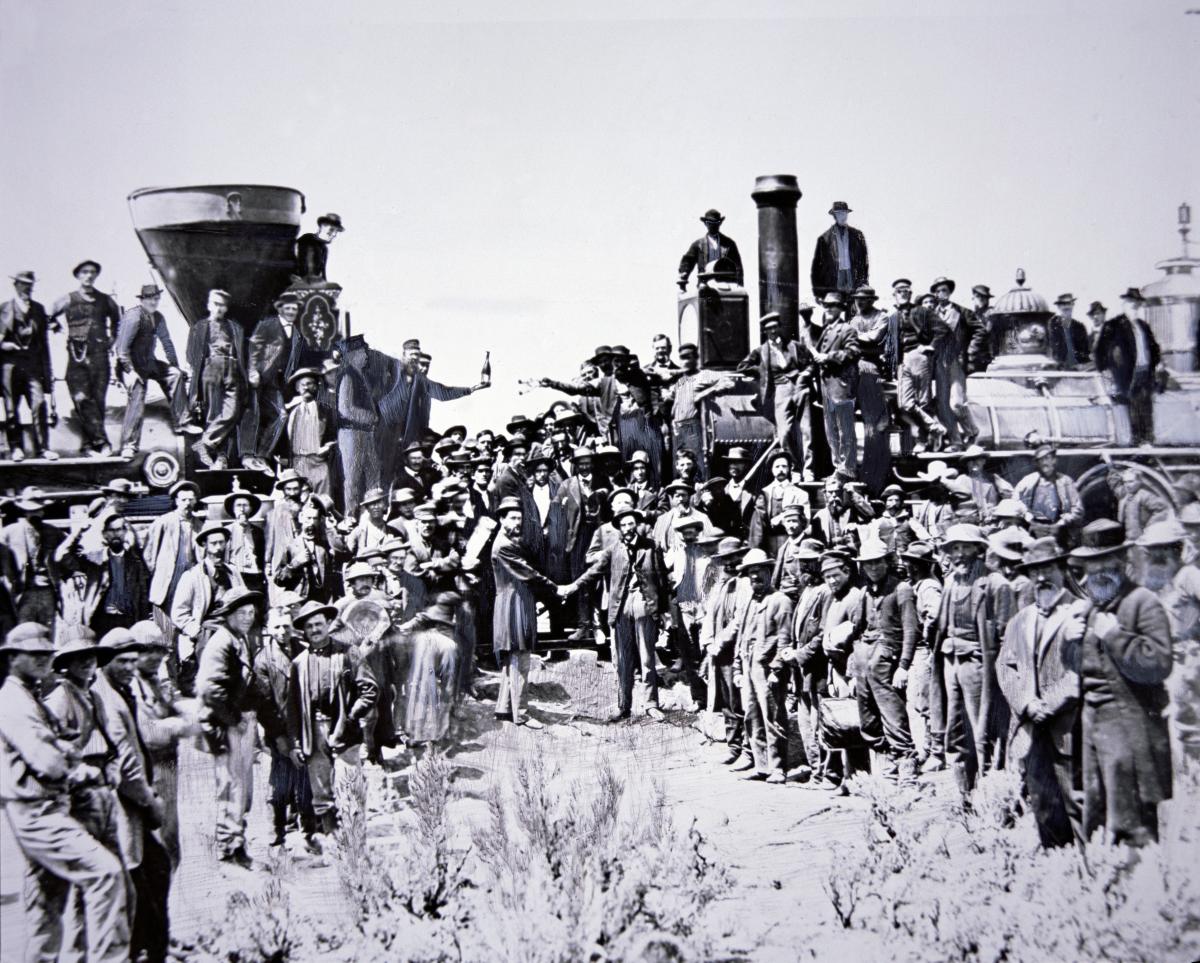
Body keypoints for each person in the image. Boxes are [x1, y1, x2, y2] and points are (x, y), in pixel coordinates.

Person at [0, 623, 131, 963]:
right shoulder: (14, 700)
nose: (44, 660)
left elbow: (62, 743)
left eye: (47, 654)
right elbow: (48, 760)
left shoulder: (31, 696)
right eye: (35, 655)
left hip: (49, 806)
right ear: (13, 658)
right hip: (37, 809)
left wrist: (70, 756)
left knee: (47, 903)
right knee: (106, 873)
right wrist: (79, 767)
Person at [1070, 519, 1173, 845]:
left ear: (1123, 563)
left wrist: (1114, 634)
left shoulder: (1143, 602)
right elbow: (1080, 668)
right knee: (1100, 818)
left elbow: (1158, 665)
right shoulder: (1090, 608)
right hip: (1094, 728)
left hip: (1133, 728)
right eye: (1092, 564)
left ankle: (1139, 886)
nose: (1099, 572)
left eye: (1106, 563)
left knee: (1134, 826)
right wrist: (1069, 642)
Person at [995, 537, 1086, 848]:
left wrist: (1050, 703)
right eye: (1035, 571)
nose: (1041, 578)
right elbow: (1005, 667)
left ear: (1061, 569)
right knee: (1044, 804)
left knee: (1078, 802)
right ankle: (1056, 873)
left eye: (1047, 568)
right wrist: (1026, 703)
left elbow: (1084, 669)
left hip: (1070, 725)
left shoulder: (1079, 612)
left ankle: (1093, 872)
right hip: (1032, 727)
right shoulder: (1021, 619)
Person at [94, 627, 171, 962]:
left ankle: (150, 948)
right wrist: (149, 800)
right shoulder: (108, 699)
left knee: (156, 869)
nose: (129, 667)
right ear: (107, 662)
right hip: (125, 805)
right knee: (139, 877)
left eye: (132, 661)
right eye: (122, 662)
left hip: (134, 803)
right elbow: (126, 763)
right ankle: (141, 950)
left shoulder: (122, 689)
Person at [568, 507, 670, 723]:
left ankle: (651, 704)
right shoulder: (613, 549)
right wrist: (572, 587)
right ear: (619, 530)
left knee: (647, 658)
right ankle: (623, 706)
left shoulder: (651, 547)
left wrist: (663, 611)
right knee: (623, 659)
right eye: (623, 526)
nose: (628, 529)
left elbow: (661, 580)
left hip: (644, 604)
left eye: (631, 524)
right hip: (621, 607)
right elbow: (593, 572)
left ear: (638, 526)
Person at [287, 599, 376, 834]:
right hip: (313, 731)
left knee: (350, 787)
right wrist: (296, 743)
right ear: (304, 631)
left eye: (318, 624)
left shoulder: (348, 652)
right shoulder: (298, 663)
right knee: (321, 793)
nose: (315, 630)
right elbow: (293, 709)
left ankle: (355, 841)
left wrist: (350, 717)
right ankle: (331, 839)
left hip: (344, 729)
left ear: (328, 623)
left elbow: (369, 690)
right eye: (309, 627)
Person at [196, 587, 264, 866]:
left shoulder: (238, 639)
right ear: (230, 615)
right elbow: (210, 689)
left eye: (251, 612)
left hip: (238, 721)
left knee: (241, 787)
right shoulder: (222, 642)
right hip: (226, 725)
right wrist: (233, 720)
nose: (248, 617)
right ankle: (228, 849)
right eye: (242, 613)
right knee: (231, 786)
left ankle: (237, 843)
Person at [934, 523, 999, 796]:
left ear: (978, 550)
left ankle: (991, 793)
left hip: (977, 662)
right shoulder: (950, 584)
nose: (959, 554)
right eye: (954, 548)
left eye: (965, 547)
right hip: (951, 662)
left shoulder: (988, 583)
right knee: (956, 728)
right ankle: (965, 794)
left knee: (982, 728)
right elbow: (940, 626)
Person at [854, 538, 919, 781]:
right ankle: (888, 759)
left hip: (887, 660)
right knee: (868, 719)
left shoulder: (901, 590)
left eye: (877, 563)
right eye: (868, 564)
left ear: (887, 562)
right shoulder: (865, 593)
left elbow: (911, 630)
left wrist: (903, 666)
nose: (873, 568)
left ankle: (906, 763)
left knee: (893, 714)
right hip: (864, 659)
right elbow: (859, 628)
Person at [129, 620, 191, 869]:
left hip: (167, 769)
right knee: (159, 846)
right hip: (150, 772)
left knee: (170, 841)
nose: (155, 656)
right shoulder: (133, 686)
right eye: (147, 650)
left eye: (160, 650)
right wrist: (180, 724)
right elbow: (150, 733)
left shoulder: (154, 681)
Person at [492, 498, 559, 728]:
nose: (517, 523)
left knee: (513, 657)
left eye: (519, 518)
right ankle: (521, 713)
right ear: (501, 519)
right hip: (514, 604)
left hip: (514, 601)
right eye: (512, 518)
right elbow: (529, 573)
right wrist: (555, 588)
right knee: (520, 658)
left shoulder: (507, 542)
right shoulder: (504, 546)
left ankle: (503, 707)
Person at [729, 549, 795, 784]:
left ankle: (778, 767)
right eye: (750, 573)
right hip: (748, 668)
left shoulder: (781, 601)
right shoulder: (749, 602)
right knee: (751, 716)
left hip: (767, 670)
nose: (754, 577)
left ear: (768, 571)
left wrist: (777, 669)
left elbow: (785, 639)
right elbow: (742, 638)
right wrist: (737, 669)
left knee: (773, 717)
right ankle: (762, 765)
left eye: (758, 572)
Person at [48, 260, 120, 455]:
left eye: (92, 272)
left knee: (98, 401)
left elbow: (118, 321)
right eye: (84, 272)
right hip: (77, 356)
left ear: (96, 276)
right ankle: (102, 443)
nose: (88, 276)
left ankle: (89, 446)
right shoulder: (67, 299)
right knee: (81, 398)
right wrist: (56, 327)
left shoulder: (105, 300)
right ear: (78, 276)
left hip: (100, 358)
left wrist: (111, 341)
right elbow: (47, 316)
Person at [115, 283, 188, 458]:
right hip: (131, 365)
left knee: (175, 375)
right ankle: (129, 445)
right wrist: (129, 372)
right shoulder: (133, 317)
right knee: (137, 398)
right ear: (143, 300)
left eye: (156, 299)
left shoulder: (158, 317)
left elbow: (167, 343)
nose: (154, 302)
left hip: (148, 362)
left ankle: (182, 422)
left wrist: (175, 365)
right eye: (150, 299)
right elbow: (121, 349)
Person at [737, 312, 816, 472]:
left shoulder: (795, 346)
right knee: (784, 433)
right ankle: (794, 468)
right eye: (769, 329)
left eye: (775, 327)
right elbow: (742, 367)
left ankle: (809, 470)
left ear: (780, 327)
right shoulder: (761, 351)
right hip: (780, 391)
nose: (772, 331)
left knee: (807, 430)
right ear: (765, 332)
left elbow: (811, 363)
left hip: (801, 388)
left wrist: (805, 374)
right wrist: (761, 370)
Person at [172, 521, 245, 690]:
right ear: (205, 545)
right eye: (214, 543)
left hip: (231, 630)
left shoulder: (233, 572)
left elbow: (244, 598)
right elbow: (179, 612)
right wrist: (196, 632)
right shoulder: (192, 576)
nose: (218, 548)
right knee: (209, 679)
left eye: (222, 542)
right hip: (206, 632)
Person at [56, 510, 151, 636]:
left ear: (125, 533)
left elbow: (143, 594)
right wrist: (78, 532)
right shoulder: (93, 559)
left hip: (129, 620)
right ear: (104, 534)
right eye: (111, 530)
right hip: (101, 619)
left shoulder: (136, 562)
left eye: (120, 530)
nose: (116, 534)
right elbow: (61, 557)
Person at [144, 480, 202, 683]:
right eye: (183, 499)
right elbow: (149, 555)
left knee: (188, 634)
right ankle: (170, 680)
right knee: (166, 636)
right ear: (176, 501)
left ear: (195, 501)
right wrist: (157, 579)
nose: (187, 503)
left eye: (190, 499)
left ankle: (187, 677)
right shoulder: (163, 522)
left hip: (187, 586)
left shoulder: (198, 524)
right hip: (166, 588)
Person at [185, 289, 248, 469]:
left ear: (226, 308)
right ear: (208, 305)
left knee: (232, 411)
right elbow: (191, 354)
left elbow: (242, 352)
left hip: (233, 368)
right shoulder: (199, 327)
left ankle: (205, 443)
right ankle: (220, 458)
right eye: (215, 304)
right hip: (212, 368)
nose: (219, 308)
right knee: (213, 413)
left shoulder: (234, 327)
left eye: (222, 305)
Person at [244, 293, 305, 472]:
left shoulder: (296, 333)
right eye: (288, 308)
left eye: (294, 309)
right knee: (251, 414)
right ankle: (247, 455)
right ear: (280, 309)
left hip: (275, 383)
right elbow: (254, 348)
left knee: (281, 415)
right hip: (260, 376)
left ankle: (262, 455)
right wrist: (252, 370)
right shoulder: (268, 324)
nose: (291, 311)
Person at [0, 269, 57, 461]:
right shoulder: (4, 309)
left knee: (39, 403)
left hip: (32, 366)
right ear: (15, 285)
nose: (27, 288)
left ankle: (43, 448)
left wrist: (48, 374)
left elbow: (44, 344)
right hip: (9, 366)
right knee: (10, 408)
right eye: (23, 284)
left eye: (30, 285)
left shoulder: (39, 310)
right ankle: (16, 448)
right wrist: (5, 345)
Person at [1093, 288, 1162, 445]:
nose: (1135, 306)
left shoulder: (1143, 326)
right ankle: (1136, 444)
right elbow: (1100, 354)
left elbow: (1155, 350)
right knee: (1132, 410)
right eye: (1131, 303)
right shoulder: (1114, 325)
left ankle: (1147, 443)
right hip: (1126, 375)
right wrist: (1107, 375)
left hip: (1145, 373)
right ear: (1124, 304)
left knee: (1146, 408)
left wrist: (1158, 365)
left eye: (1137, 304)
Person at [928, 277, 987, 450]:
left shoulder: (962, 312)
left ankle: (972, 431)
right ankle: (956, 441)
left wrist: (970, 353)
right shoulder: (930, 314)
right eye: (937, 291)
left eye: (944, 290)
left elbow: (980, 330)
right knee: (943, 405)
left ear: (950, 292)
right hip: (939, 364)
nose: (941, 294)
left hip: (956, 362)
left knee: (957, 403)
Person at [663, 343, 738, 479]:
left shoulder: (704, 375)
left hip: (693, 427)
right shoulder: (680, 380)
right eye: (681, 358)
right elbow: (673, 399)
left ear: (695, 358)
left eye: (687, 357)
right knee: (678, 468)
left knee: (697, 466)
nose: (684, 361)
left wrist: (705, 393)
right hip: (676, 429)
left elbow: (729, 381)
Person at [0, 486, 65, 629]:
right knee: (23, 631)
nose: (36, 513)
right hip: (22, 592)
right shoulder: (9, 533)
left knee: (47, 630)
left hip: (48, 591)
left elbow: (68, 556)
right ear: (24, 510)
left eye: (39, 509)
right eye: (31, 510)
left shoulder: (54, 532)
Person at [811, 293, 861, 477]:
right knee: (830, 429)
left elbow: (853, 351)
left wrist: (828, 357)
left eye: (833, 306)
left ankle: (849, 467)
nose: (829, 309)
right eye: (826, 305)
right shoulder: (826, 330)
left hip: (841, 386)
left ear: (840, 309)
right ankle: (838, 467)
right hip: (826, 387)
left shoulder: (847, 329)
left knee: (845, 428)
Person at [848, 286, 893, 492]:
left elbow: (873, 339)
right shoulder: (854, 320)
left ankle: (874, 474)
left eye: (863, 299)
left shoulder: (882, 317)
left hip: (869, 368)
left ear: (871, 300)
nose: (859, 302)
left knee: (873, 426)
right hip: (850, 367)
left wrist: (853, 336)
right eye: (857, 299)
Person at [274, 498, 343, 603]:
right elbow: (278, 580)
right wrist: (294, 564)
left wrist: (330, 529)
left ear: (320, 520)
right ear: (301, 517)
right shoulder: (290, 546)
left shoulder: (325, 545)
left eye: (315, 518)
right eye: (308, 518)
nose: (311, 523)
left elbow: (343, 555)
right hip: (299, 601)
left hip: (322, 601)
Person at [1014, 445, 1084, 545]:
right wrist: (1030, 521)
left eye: (1047, 458)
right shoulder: (1028, 481)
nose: (1044, 463)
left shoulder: (1066, 482)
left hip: (1060, 531)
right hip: (1034, 531)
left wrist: (1060, 524)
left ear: (1054, 460)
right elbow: (1014, 502)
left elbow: (1078, 510)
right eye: (1040, 460)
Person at [748, 452, 808, 557]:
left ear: (789, 468)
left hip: (791, 542)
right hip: (769, 544)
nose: (780, 469)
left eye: (784, 466)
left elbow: (806, 519)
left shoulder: (800, 493)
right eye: (777, 466)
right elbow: (759, 521)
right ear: (771, 469)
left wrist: (782, 517)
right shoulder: (764, 492)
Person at [810, 201, 869, 301]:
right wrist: (818, 292)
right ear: (834, 216)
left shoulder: (857, 235)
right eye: (839, 213)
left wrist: (864, 281)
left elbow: (864, 260)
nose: (842, 216)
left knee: (854, 308)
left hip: (853, 277)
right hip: (834, 279)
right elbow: (816, 268)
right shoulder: (824, 239)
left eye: (844, 213)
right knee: (836, 306)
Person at [678, 208, 744, 290]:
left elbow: (738, 268)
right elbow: (687, 261)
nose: (713, 226)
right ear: (705, 224)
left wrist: (739, 287)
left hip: (726, 287)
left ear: (720, 223)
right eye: (710, 223)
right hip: (705, 287)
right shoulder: (698, 245)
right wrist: (684, 274)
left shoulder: (729, 244)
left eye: (716, 223)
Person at [296, 212, 344, 281]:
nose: (334, 234)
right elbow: (308, 273)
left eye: (336, 231)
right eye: (332, 229)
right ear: (322, 226)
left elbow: (322, 275)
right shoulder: (307, 240)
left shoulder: (324, 248)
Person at [1047, 293, 1091, 368]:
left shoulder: (1080, 327)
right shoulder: (1052, 325)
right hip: (1059, 369)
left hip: (1078, 369)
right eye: (1063, 304)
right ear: (1058, 307)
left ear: (1073, 305)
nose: (1066, 307)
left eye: (1069, 304)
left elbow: (1085, 351)